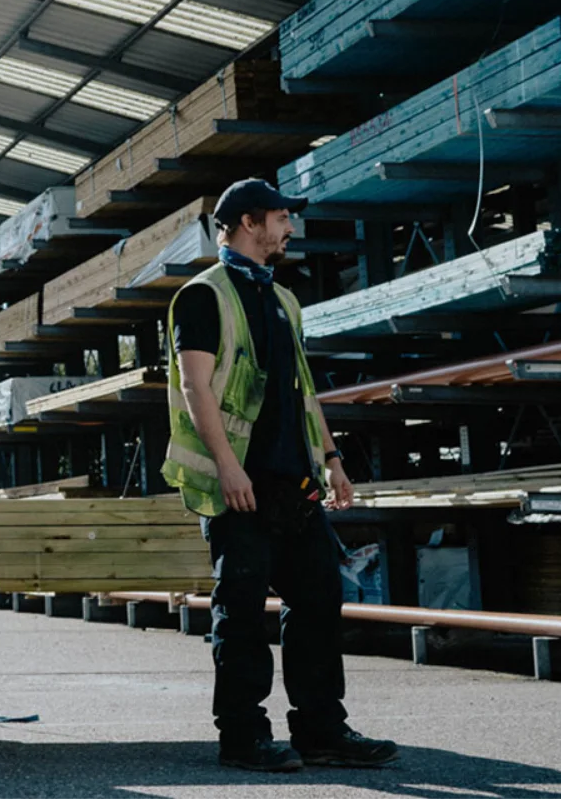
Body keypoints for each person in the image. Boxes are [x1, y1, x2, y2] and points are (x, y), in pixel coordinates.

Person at [161, 178, 399, 773]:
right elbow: (195, 386)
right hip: (238, 485)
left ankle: (321, 730)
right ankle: (242, 737)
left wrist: (333, 459)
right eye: (281, 218)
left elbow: (303, 391)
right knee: (240, 612)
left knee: (319, 599)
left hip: (293, 482)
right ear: (248, 222)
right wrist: (228, 467)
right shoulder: (202, 296)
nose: (289, 228)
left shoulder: (283, 299)